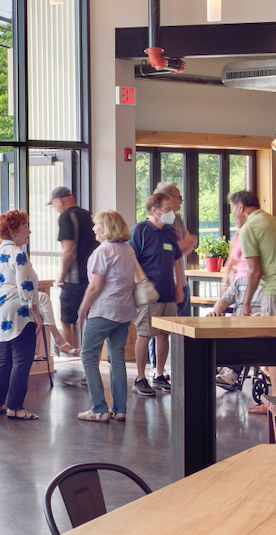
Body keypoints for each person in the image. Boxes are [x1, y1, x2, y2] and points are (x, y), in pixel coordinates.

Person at [76, 209, 141, 423]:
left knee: (88, 356)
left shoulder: (102, 252)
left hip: (103, 312)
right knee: (117, 358)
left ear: (107, 228)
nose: (94, 228)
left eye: (97, 224)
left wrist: (83, 309)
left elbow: (95, 288)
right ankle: (119, 409)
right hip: (124, 313)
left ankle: (99, 408)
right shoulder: (127, 250)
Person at [0, 209, 43, 420]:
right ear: (13, 230)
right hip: (19, 310)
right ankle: (15, 407)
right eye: (25, 226)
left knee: (3, 359)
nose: (29, 230)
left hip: (0, 308)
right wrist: (37, 314)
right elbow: (26, 288)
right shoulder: (18, 254)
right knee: (22, 360)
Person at [129, 193, 182, 396]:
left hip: (168, 290)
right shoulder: (140, 231)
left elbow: (176, 260)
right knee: (144, 333)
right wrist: (141, 284)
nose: (172, 213)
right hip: (148, 293)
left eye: (172, 209)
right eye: (168, 209)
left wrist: (178, 287)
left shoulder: (169, 231)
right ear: (154, 210)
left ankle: (159, 374)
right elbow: (131, 259)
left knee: (164, 334)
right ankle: (140, 377)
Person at [235, 189, 276, 317]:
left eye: (233, 209)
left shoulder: (249, 227)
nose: (233, 215)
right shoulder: (275, 221)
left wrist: (246, 303)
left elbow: (255, 271)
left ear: (240, 206)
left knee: (273, 336)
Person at [50, 186, 94, 354]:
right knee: (89, 319)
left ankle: (74, 354)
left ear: (59, 201)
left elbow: (69, 250)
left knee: (67, 320)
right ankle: (88, 356)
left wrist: (61, 276)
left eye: (54, 204)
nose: (55, 208)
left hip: (75, 279)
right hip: (92, 278)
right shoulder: (89, 215)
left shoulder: (66, 217)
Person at [153, 181, 197, 316]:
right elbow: (160, 250)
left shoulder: (177, 219)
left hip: (181, 281)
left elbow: (181, 251)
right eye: (179, 197)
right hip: (164, 282)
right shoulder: (153, 226)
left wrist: (186, 244)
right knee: (160, 329)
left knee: (185, 325)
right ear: (169, 198)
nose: (181, 200)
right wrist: (183, 243)